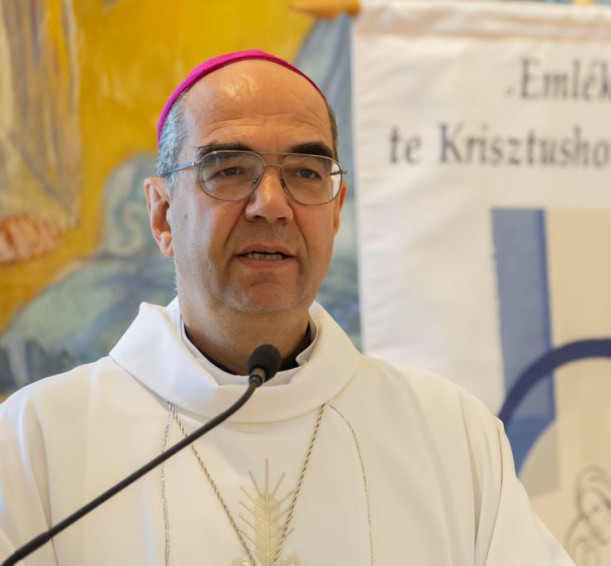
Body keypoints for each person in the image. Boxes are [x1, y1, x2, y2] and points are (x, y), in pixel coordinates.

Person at [0, 50, 573, 565]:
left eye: (305, 173)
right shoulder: (36, 442)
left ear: (336, 211)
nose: (271, 204)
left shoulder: (450, 435)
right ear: (161, 214)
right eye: (230, 170)